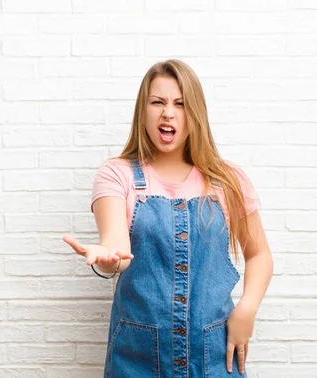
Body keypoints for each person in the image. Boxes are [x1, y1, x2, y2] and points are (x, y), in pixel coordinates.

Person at [63, 59, 273, 378]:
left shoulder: (228, 180)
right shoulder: (117, 175)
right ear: (142, 111)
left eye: (180, 103)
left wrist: (248, 309)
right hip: (138, 358)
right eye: (157, 102)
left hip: (215, 356)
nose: (168, 113)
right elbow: (116, 247)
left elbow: (259, 254)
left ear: (195, 113)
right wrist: (106, 260)